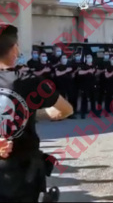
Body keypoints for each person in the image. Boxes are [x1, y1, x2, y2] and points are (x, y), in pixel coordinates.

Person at [0, 24, 73, 201]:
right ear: (14, 49)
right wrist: (31, 112)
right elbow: (65, 110)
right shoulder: (30, 80)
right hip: (24, 175)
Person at [78, 54, 97, 119]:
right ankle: (83, 113)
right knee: (84, 99)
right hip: (85, 85)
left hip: (93, 84)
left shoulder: (94, 65)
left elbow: (96, 73)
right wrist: (88, 71)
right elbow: (80, 72)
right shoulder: (83, 65)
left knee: (93, 99)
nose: (89, 58)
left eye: (90, 57)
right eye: (88, 57)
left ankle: (94, 112)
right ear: (86, 58)